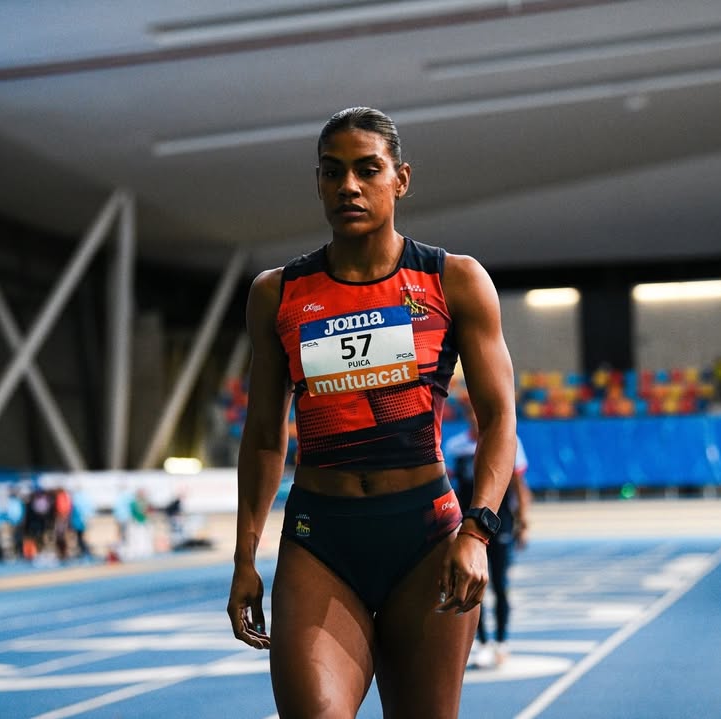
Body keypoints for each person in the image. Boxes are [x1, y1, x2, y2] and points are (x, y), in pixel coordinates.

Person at [227, 106, 517, 718]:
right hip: (321, 539)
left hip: (426, 539)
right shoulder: (277, 293)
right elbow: (263, 438)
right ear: (318, 182)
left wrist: (477, 532)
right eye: (332, 172)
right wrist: (244, 557)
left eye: (367, 169)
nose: (349, 186)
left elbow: (498, 421)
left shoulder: (454, 281)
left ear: (400, 179)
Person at [446, 399, 531, 669]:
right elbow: (448, 487)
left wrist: (523, 522)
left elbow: (518, 485)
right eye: (470, 412)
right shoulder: (455, 446)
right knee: (471, 583)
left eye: (477, 411)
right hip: (466, 528)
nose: (475, 417)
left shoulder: (508, 441)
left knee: (500, 584)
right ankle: (482, 643)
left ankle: (502, 641)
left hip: (500, 524)